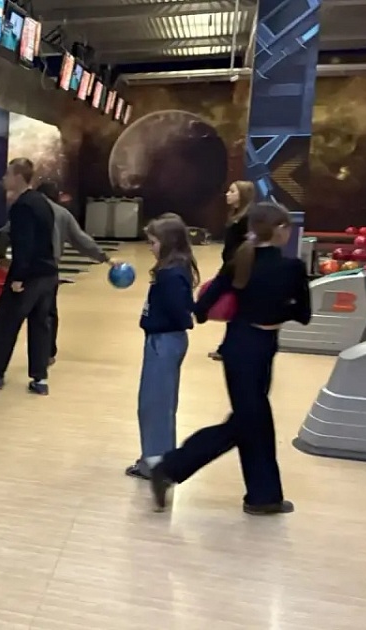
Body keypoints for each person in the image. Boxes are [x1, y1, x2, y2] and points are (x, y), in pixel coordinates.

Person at [148, 202, 311, 515]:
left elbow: (202, 308)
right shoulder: (291, 267)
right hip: (261, 348)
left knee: (253, 420)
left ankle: (264, 497)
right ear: (279, 230)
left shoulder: (239, 261)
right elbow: (303, 314)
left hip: (237, 346)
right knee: (249, 421)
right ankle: (170, 467)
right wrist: (280, 307)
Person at [0, 183, 117, 366]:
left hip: (24, 270)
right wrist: (105, 258)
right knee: (46, 317)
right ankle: (46, 356)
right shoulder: (63, 214)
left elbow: (4, 233)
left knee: (6, 315)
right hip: (48, 272)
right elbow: (81, 240)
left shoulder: (28, 208)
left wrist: (2, 256)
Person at [0, 158, 58, 395]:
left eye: (7, 174)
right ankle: (40, 379)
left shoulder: (22, 206)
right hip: (48, 274)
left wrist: (18, 277)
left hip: (28, 277)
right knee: (40, 326)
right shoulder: (42, 202)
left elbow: (24, 245)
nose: (4, 179)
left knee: (5, 324)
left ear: (18, 177)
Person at [125, 213, 198, 480]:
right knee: (155, 403)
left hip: (164, 341)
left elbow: (181, 311)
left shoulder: (171, 274)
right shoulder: (172, 270)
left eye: (153, 242)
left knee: (155, 405)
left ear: (168, 243)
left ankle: (157, 465)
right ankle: (157, 459)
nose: (150, 247)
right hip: (163, 340)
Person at [210, 180, 255, 360]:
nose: (227, 194)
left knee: (236, 311)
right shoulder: (235, 215)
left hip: (238, 269)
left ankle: (230, 348)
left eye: (232, 191)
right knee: (234, 312)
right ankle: (227, 348)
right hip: (230, 266)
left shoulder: (247, 219)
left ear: (242, 195)